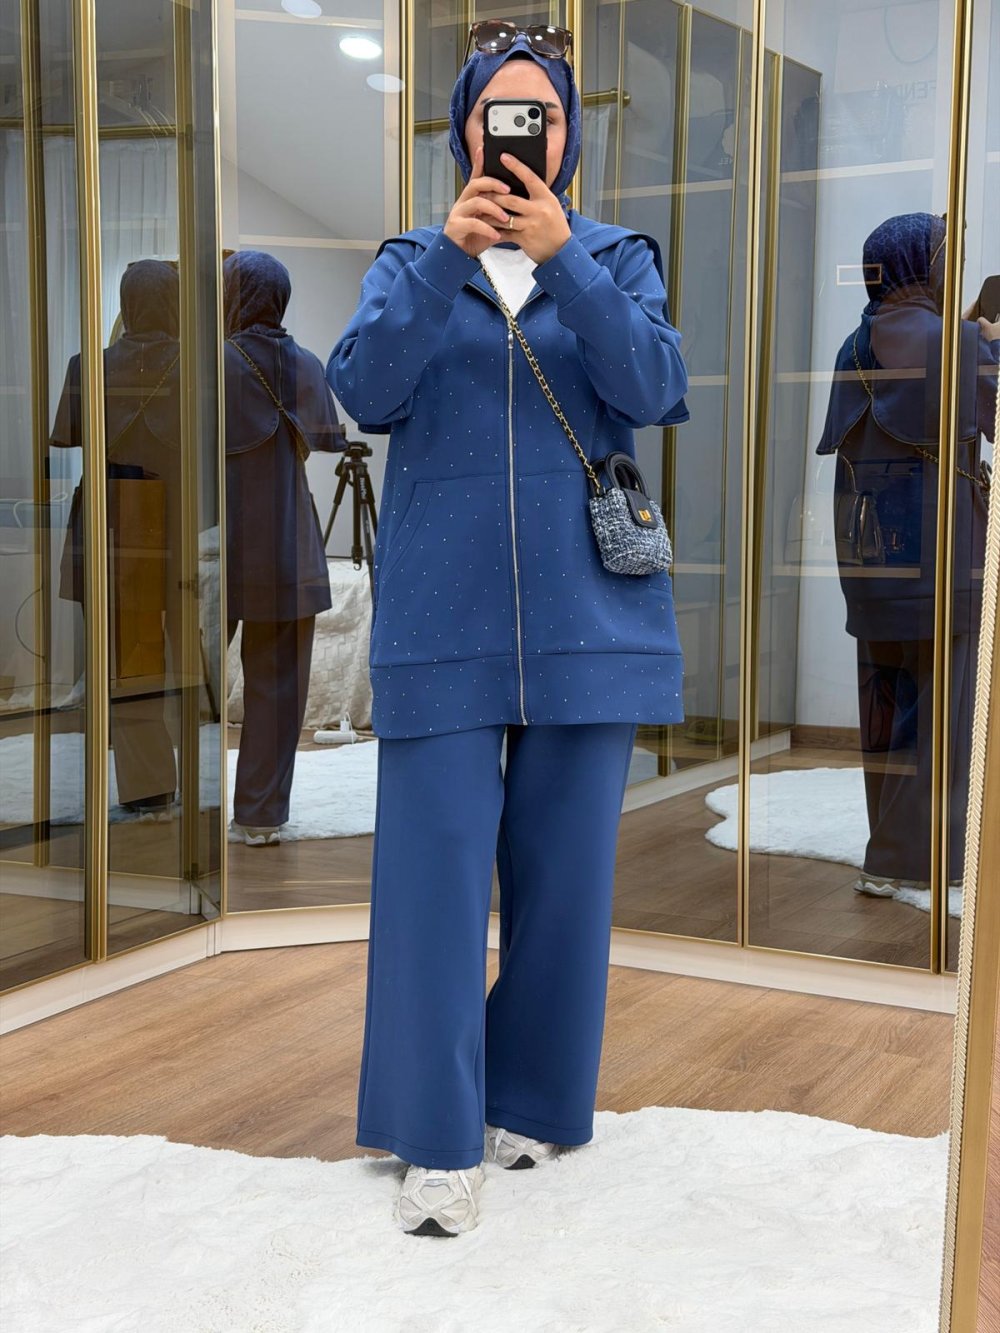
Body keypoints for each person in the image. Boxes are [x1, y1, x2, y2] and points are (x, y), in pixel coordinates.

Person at [327, 25, 689, 1237]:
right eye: (500, 113)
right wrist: (448, 256)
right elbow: (363, 390)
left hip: (590, 613)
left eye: (544, 113)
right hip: (441, 616)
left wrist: (564, 259)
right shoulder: (409, 260)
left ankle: (531, 1100)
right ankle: (435, 1139)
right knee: (429, 885)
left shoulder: (617, 257)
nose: (522, 132)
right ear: (465, 129)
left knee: (564, 882)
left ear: (570, 134)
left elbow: (654, 389)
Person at [817, 212, 999, 900]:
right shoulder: (955, 342)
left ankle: (887, 855)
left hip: (870, 565)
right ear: (923, 266)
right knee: (947, 722)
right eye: (946, 258)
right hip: (946, 560)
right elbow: (989, 409)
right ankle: (930, 859)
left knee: (886, 715)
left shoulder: (852, 344)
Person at [52, 258, 183, 820]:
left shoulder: (88, 365)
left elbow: (67, 435)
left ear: (127, 304)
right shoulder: (197, 366)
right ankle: (175, 777)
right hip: (173, 523)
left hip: (106, 523)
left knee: (122, 658)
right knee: (179, 658)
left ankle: (149, 785)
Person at [223, 250, 346, 845]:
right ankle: (260, 817)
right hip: (289, 538)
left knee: (186, 681)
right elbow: (326, 438)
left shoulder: (212, 364)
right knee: (278, 685)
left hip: (218, 539)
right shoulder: (306, 363)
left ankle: (172, 804)